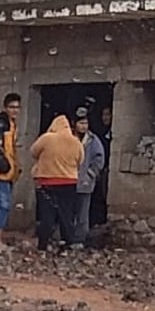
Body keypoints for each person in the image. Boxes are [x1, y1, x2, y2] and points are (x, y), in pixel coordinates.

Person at [29, 114, 84, 251]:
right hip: (69, 182)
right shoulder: (76, 141)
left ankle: (43, 244)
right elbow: (81, 160)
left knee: (47, 214)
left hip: (48, 181)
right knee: (66, 214)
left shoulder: (47, 138)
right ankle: (66, 244)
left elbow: (33, 152)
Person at [0, 93, 21, 248]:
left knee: (0, 205)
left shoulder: (12, 124)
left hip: (9, 171)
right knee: (4, 205)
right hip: (1, 171)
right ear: (5, 108)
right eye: (12, 107)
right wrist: (3, 166)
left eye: (17, 107)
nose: (15, 110)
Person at [71, 107, 106, 248]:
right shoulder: (69, 138)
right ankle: (67, 237)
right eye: (81, 123)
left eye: (85, 123)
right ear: (74, 124)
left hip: (85, 182)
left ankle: (79, 239)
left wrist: (90, 174)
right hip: (68, 180)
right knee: (68, 211)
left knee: (82, 213)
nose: (83, 126)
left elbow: (99, 159)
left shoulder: (93, 140)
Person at [91, 104, 114, 226]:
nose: (105, 118)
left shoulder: (113, 134)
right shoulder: (99, 134)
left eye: (108, 114)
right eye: (103, 115)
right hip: (101, 169)